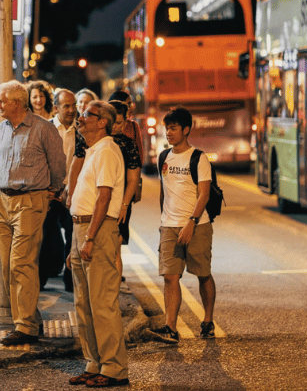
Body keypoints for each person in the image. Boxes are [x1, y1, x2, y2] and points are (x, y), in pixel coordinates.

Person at [0, 81, 65, 346]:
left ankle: (25, 327)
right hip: (1, 201)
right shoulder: (2, 128)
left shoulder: (43, 129)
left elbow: (58, 165)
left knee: (22, 263)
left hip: (29, 202)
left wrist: (53, 190)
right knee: (10, 265)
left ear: (17, 103)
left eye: (2, 100)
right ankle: (30, 319)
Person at [67, 101, 129, 388]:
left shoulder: (107, 149)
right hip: (81, 227)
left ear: (102, 121)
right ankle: (94, 362)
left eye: (86, 114)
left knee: (102, 302)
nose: (80, 118)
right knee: (83, 303)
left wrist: (90, 236)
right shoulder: (93, 151)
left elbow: (104, 197)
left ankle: (114, 368)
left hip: (98, 229)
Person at [146, 106, 216, 344]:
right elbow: (164, 192)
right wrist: (163, 220)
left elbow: (203, 195)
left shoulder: (199, 158)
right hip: (169, 225)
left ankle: (207, 320)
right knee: (169, 277)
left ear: (186, 130)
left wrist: (191, 223)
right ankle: (171, 327)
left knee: (203, 274)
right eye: (167, 128)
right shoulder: (164, 157)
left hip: (197, 225)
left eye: (173, 128)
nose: (169, 132)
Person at [46, 89, 78, 292]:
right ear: (56, 108)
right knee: (46, 236)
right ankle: (41, 277)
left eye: (74, 105)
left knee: (73, 236)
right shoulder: (46, 128)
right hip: (48, 192)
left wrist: (70, 189)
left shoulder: (81, 129)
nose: (72, 110)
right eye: (67, 106)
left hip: (72, 192)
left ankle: (70, 280)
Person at [108, 100, 142, 280]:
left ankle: (113, 294)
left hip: (120, 202)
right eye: (110, 121)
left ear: (126, 121)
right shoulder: (94, 140)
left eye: (118, 123)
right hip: (95, 201)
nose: (114, 126)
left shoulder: (129, 145)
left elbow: (133, 179)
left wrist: (124, 205)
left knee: (115, 247)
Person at [109, 90, 145, 167]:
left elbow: (140, 157)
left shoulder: (133, 126)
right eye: (128, 104)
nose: (131, 107)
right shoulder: (104, 125)